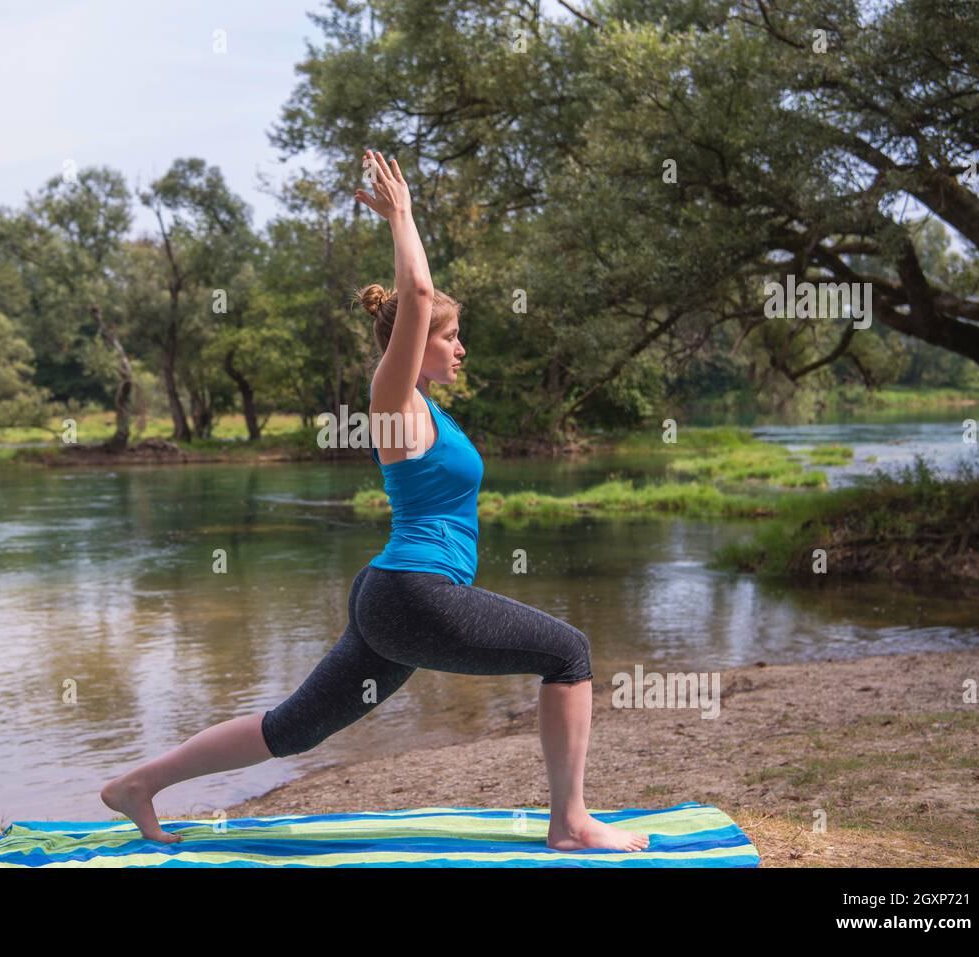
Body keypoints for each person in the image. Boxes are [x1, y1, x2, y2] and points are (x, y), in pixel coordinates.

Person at [102, 149, 648, 853]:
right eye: (452, 337)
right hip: (411, 594)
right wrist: (404, 217)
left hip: (395, 594)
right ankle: (570, 821)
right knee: (568, 653)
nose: (460, 348)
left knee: (293, 728)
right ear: (413, 345)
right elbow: (416, 295)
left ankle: (137, 784)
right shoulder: (392, 401)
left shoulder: (431, 414)